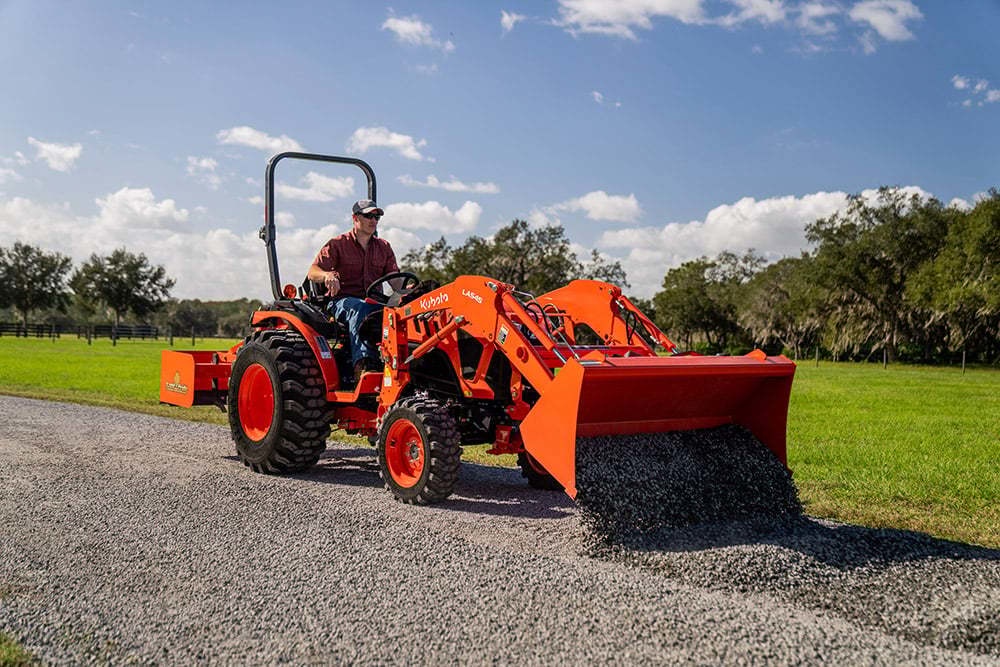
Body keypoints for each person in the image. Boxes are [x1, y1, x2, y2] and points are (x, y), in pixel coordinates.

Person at [307, 199, 399, 381]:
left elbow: (395, 280)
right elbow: (312, 272)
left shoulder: (384, 247)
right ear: (355, 218)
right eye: (368, 216)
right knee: (360, 307)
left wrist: (410, 292)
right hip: (343, 302)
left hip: (376, 302)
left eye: (377, 216)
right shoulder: (337, 244)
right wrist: (327, 276)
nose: (373, 220)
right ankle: (364, 367)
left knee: (403, 312)